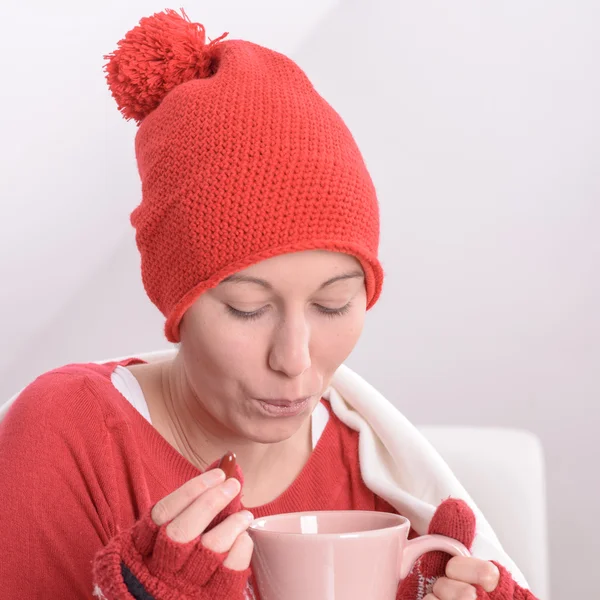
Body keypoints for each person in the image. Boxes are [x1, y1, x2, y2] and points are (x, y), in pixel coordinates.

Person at [0, 9, 539, 600]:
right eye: (247, 308)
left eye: (332, 305)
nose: (294, 359)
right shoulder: (67, 435)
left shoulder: (381, 479)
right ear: (177, 302)